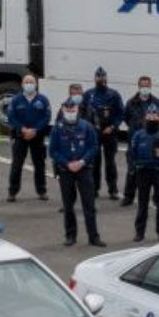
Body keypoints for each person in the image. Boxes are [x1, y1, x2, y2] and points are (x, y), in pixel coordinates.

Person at [48, 97, 104, 247]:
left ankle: (94, 237)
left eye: (73, 110)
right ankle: (70, 235)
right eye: (68, 111)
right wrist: (67, 163)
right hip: (65, 170)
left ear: (77, 110)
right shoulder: (57, 129)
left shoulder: (87, 127)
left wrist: (82, 162)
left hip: (84, 170)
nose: (70, 113)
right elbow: (53, 150)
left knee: (89, 205)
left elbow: (93, 147)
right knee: (68, 205)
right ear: (63, 111)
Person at [129, 105, 159, 242]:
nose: (152, 118)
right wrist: (133, 170)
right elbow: (132, 154)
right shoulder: (139, 135)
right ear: (145, 117)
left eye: (155, 115)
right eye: (149, 115)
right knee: (142, 204)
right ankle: (139, 232)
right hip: (143, 172)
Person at [5, 74, 51, 203]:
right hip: (20, 136)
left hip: (37, 136)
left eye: (31, 82)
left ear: (36, 84)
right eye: (26, 82)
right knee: (16, 165)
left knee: (40, 165)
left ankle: (42, 191)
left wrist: (35, 130)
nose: (29, 84)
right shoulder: (16, 100)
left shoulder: (43, 100)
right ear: (22, 84)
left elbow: (46, 117)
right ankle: (12, 192)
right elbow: (11, 117)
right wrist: (22, 129)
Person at [119, 75, 159, 208]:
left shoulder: (156, 102)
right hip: (135, 141)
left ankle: (156, 197)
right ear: (139, 87)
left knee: (155, 170)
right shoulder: (131, 102)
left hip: (153, 141)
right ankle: (128, 196)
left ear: (150, 86)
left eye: (147, 86)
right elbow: (126, 118)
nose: (145, 88)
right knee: (132, 169)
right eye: (143, 86)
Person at [83, 67, 126, 199]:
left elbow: (120, 113)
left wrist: (113, 126)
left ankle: (112, 189)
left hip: (109, 132)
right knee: (94, 162)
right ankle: (94, 189)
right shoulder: (88, 94)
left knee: (110, 162)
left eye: (102, 77)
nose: (100, 79)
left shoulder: (113, 94)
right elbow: (83, 113)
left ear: (106, 78)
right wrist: (89, 128)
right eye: (98, 77)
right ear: (94, 78)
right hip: (94, 133)